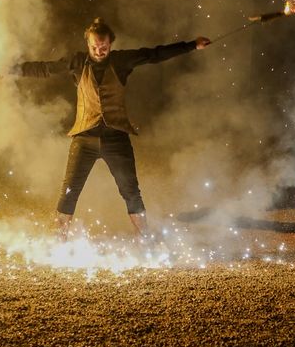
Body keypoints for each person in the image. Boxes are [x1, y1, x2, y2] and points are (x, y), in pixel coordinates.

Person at [15, 17, 211, 240]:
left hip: (116, 139)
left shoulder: (121, 61)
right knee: (69, 191)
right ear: (88, 45)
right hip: (84, 139)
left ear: (111, 44)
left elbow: (154, 54)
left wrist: (191, 45)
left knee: (131, 192)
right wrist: (13, 70)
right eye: (94, 47)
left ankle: (144, 239)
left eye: (104, 47)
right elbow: (45, 69)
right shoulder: (77, 63)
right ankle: (59, 240)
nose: (99, 51)